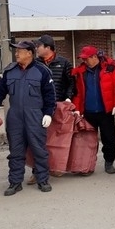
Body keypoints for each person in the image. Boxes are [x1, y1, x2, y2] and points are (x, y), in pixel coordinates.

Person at [0, 41, 57, 196]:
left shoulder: (42, 71)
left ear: (29, 53)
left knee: (39, 149)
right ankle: (15, 182)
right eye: (16, 51)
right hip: (15, 116)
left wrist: (48, 113)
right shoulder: (10, 71)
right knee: (16, 151)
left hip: (35, 116)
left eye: (20, 51)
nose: (16, 54)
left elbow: (50, 95)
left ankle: (42, 179)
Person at [23, 34, 75, 184]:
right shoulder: (34, 64)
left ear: (47, 47)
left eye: (38, 46)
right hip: (39, 108)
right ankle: (36, 171)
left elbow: (71, 82)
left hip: (59, 107)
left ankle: (56, 167)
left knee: (58, 139)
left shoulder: (64, 63)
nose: (36, 49)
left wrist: (68, 98)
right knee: (37, 140)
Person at [72, 46, 115, 175]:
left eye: (86, 58)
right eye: (83, 59)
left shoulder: (111, 70)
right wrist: (77, 109)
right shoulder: (81, 72)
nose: (84, 61)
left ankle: (109, 162)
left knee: (109, 139)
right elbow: (78, 92)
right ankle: (88, 164)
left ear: (94, 57)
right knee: (88, 141)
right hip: (88, 112)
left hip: (105, 111)